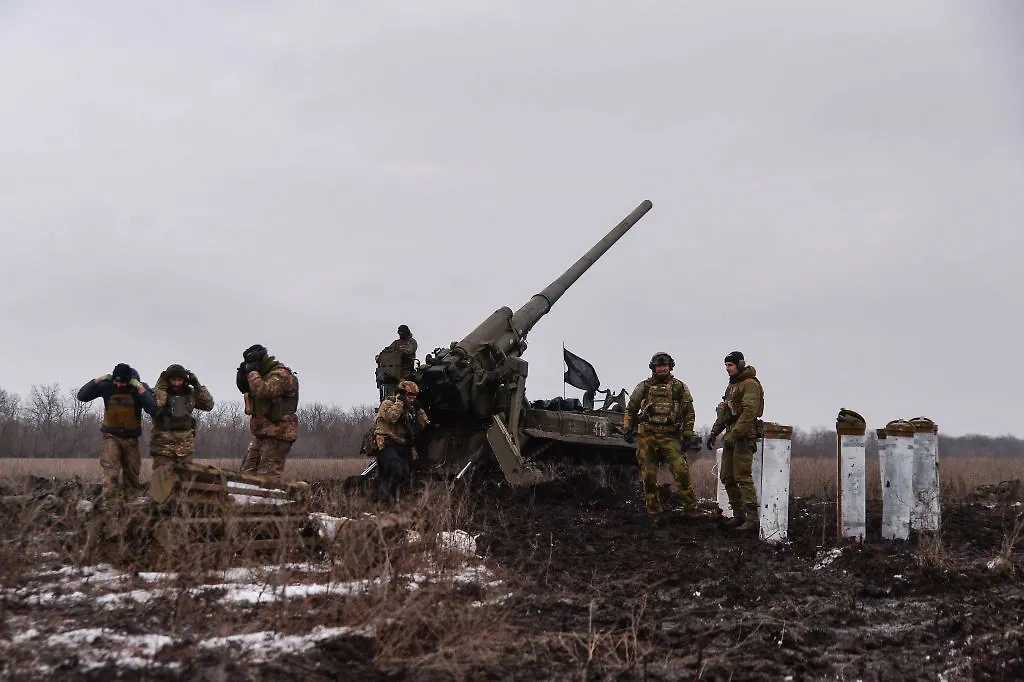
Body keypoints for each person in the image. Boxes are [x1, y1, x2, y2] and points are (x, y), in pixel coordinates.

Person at [622, 352, 699, 516]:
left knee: (681, 471)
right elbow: (631, 408)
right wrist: (627, 429)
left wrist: (687, 434)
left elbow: (689, 412)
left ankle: (690, 508)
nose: (662, 369)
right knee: (649, 476)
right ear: (653, 368)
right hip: (648, 435)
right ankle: (654, 511)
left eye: (665, 365)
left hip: (670, 436)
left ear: (670, 367)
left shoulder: (679, 387)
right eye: (659, 366)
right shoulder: (644, 387)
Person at [76, 363, 156, 504]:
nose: (118, 385)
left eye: (122, 382)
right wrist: (98, 380)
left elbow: (152, 408)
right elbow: (82, 396)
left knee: (132, 474)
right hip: (111, 436)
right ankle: (110, 504)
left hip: (131, 439)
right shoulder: (107, 386)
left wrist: (140, 388)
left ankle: (131, 504)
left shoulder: (139, 388)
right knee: (110, 471)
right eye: (116, 381)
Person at [706, 351, 765, 531]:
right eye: (726, 366)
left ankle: (752, 519)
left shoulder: (750, 384)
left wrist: (734, 434)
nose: (727, 369)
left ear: (739, 365)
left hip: (744, 436)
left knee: (742, 476)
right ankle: (739, 516)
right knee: (726, 476)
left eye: (730, 365)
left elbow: (749, 412)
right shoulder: (732, 386)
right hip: (731, 436)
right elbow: (725, 413)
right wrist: (714, 432)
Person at [236, 344, 299, 479]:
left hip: (279, 434)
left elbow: (263, 391)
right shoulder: (261, 375)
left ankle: (294, 495)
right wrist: (243, 374)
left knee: (266, 480)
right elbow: (244, 388)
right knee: (246, 476)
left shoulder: (281, 375)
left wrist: (252, 372)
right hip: (262, 434)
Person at [373, 379, 429, 503]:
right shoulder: (388, 403)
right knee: (396, 470)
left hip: (400, 445)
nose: (412, 399)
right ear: (402, 394)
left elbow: (423, 424)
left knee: (405, 472)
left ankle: (391, 500)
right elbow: (391, 417)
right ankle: (382, 499)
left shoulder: (411, 409)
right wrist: (400, 403)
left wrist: (419, 410)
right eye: (409, 396)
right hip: (386, 443)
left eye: (414, 397)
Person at [150, 364, 214, 469]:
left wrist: (197, 386)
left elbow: (208, 405)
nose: (176, 383)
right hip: (162, 446)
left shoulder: (190, 394)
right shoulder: (158, 393)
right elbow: (157, 405)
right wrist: (160, 386)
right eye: (173, 380)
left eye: (179, 380)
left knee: (184, 479)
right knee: (162, 478)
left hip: (185, 446)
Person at [375, 325, 418, 401]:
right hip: (395, 369)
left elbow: (409, 351)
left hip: (406, 369)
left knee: (403, 386)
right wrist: (380, 356)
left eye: (402, 333)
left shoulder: (411, 342)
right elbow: (388, 350)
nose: (400, 334)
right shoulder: (396, 343)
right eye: (399, 333)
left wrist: (399, 352)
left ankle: (403, 400)